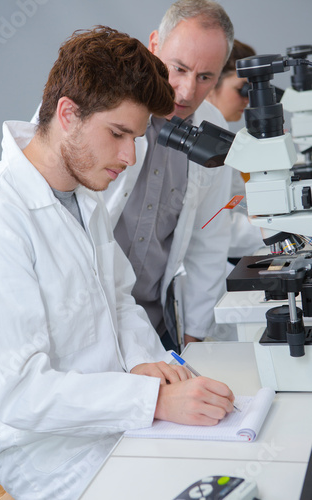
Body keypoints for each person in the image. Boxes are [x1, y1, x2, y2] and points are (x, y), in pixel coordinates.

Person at [0, 27, 235, 500]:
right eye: (118, 134)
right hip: (47, 454)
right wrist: (152, 399)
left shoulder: (82, 195)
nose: (128, 156)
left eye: (136, 137)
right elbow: (16, 396)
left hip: (111, 419)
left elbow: (118, 298)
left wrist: (148, 364)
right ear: (68, 114)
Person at [102, 0, 235, 350]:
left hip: (155, 325)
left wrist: (194, 339)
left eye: (205, 76)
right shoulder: (103, 106)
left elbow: (210, 241)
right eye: (179, 68)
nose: (187, 91)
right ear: (155, 46)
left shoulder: (213, 129)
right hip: (91, 317)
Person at [206, 39, 265, 265]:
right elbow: (215, 226)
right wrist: (273, 230)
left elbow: (238, 200)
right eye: (242, 89)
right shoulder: (204, 145)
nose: (248, 99)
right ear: (211, 84)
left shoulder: (224, 137)